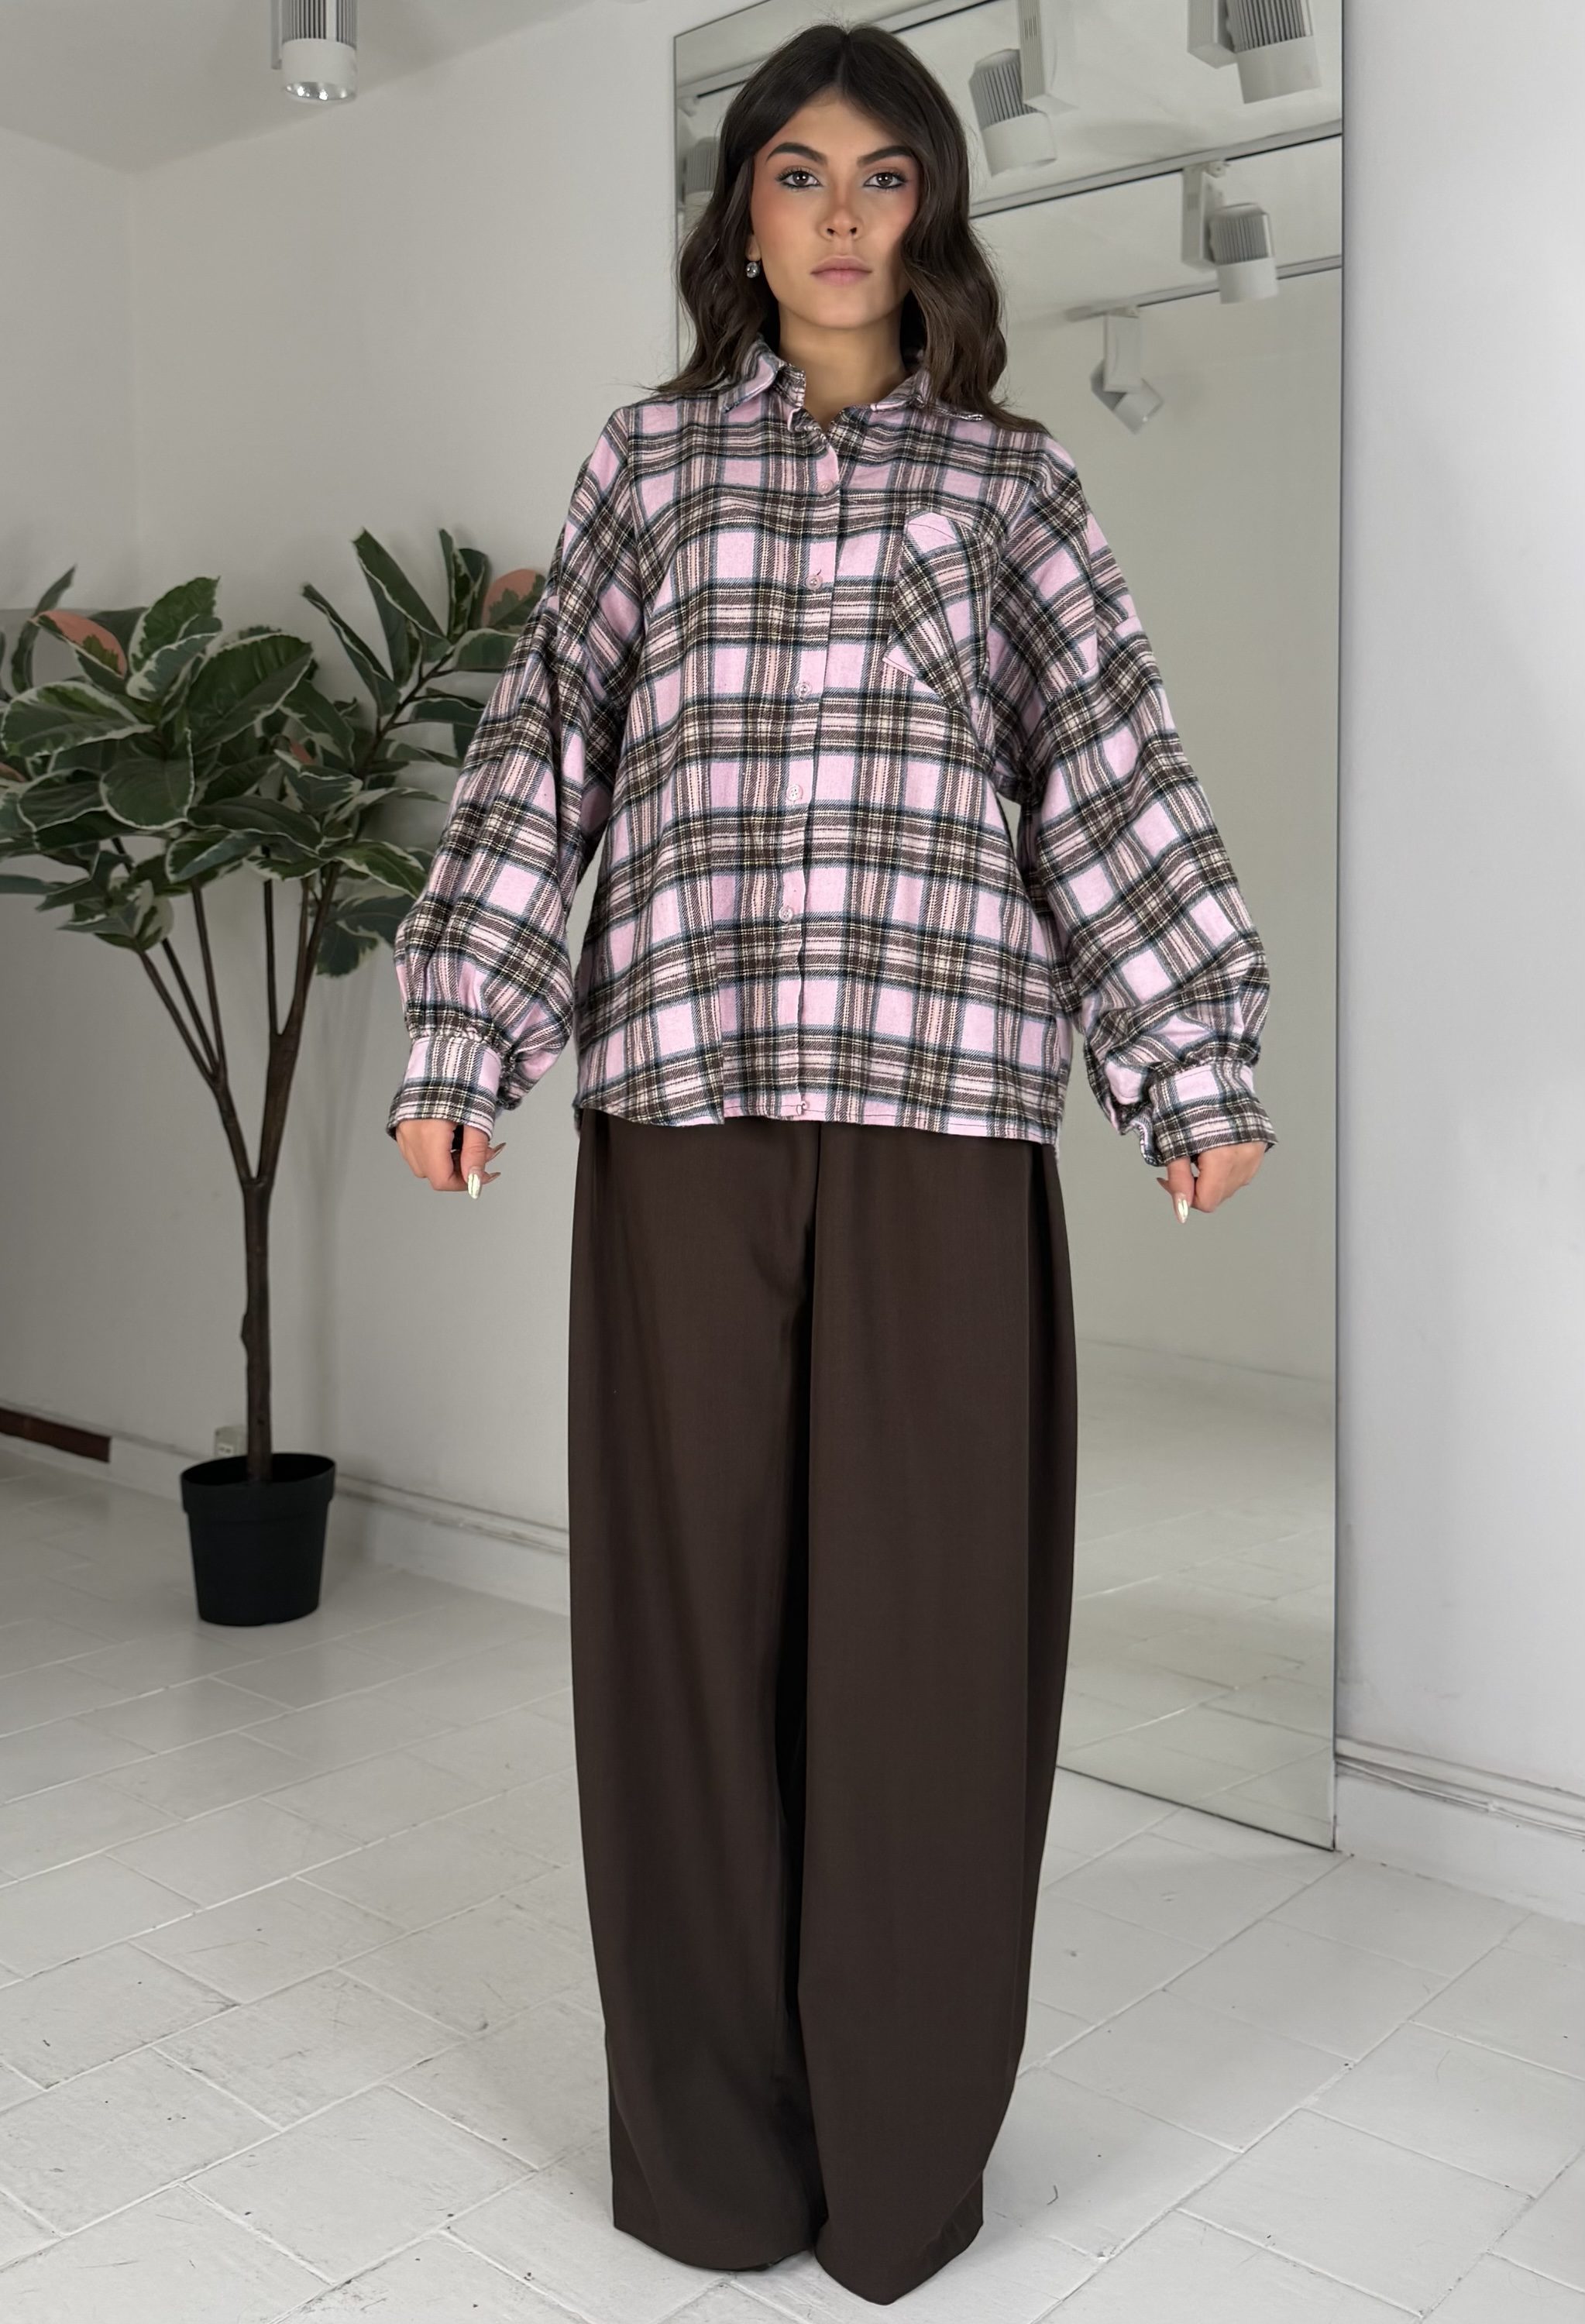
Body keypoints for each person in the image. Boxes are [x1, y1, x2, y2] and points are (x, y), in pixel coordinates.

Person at [387, 20, 1274, 2306]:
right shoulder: (649, 466)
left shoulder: (1016, 489)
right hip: (680, 1096)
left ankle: (895, 2171)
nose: (845, 214)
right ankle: (709, 2166)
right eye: (800, 172)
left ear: (934, 210)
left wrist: (1188, 1061)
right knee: (683, 1643)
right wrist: (468, 1029)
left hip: (941, 1110)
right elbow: (543, 760)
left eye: (886, 175)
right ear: (745, 215)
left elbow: (1110, 772)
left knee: (929, 1651)